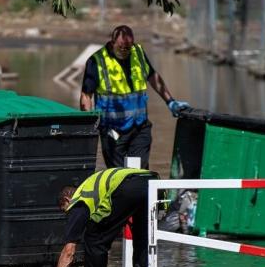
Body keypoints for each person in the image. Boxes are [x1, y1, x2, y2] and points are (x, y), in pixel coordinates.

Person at [79, 25, 189, 169]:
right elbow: (86, 96)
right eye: (121, 47)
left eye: (128, 47)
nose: (125, 51)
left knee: (139, 172)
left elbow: (153, 77)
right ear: (112, 43)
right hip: (113, 131)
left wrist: (171, 102)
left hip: (139, 127)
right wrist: (89, 128)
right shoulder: (97, 61)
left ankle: (140, 189)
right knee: (117, 175)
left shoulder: (138, 52)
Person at [50, 167, 157, 267]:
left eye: (65, 210)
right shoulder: (93, 189)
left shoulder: (79, 200)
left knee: (94, 239)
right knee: (142, 238)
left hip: (129, 187)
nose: (69, 215)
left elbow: (69, 251)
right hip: (153, 182)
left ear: (67, 200)